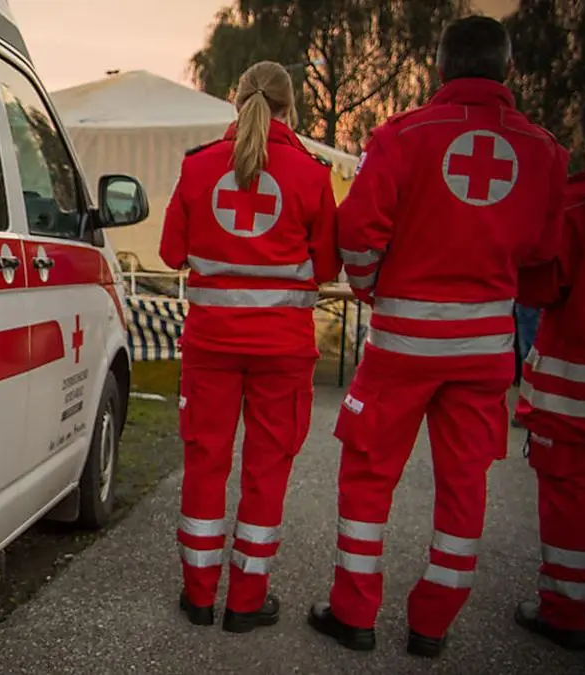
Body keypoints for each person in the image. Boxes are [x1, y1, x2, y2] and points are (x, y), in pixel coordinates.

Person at [306, 16, 569, 657]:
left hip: (402, 343)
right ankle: (432, 624)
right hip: (484, 349)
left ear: (440, 69)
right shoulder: (545, 152)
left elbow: (359, 230)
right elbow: (544, 256)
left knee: (368, 474)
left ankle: (355, 613)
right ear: (508, 70)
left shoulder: (403, 135)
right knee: (464, 484)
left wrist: (372, 288)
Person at [159, 61, 341, 633]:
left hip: (210, 346)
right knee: (267, 472)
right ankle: (245, 602)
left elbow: (169, 253)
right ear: (291, 108)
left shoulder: (198, 167)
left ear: (235, 102)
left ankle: (198, 595)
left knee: (204, 463)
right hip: (283, 354)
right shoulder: (312, 175)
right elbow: (329, 264)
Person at [512, 85, 585, 650]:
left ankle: (565, 611)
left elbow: (540, 286)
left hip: (580, 392)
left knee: (571, 505)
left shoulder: (582, 202)